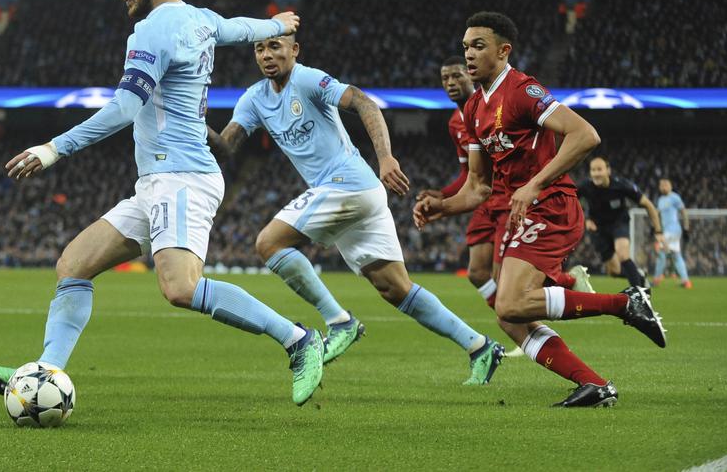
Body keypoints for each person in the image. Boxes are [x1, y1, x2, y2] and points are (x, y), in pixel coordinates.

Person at [0, 0, 326, 406]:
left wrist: (54, 148)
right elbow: (240, 28)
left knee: (180, 287)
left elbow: (124, 108)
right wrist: (277, 23)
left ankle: (299, 340)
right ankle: (42, 374)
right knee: (73, 266)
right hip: (160, 181)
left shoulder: (153, 31)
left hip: (182, 177)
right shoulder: (201, 19)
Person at [206, 36, 506, 385]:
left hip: (347, 184)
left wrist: (385, 157)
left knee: (268, 243)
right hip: (356, 195)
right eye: (260, 49)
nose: (267, 55)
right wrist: (194, 123)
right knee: (396, 289)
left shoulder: (308, 79)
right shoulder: (254, 98)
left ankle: (339, 322)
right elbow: (225, 147)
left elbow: (364, 102)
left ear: (294, 50)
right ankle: (480, 346)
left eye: (275, 46)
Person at [414, 11, 665, 407]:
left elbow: (585, 135)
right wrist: (441, 207)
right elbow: (479, 187)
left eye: (478, 46)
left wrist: (533, 184)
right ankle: (594, 385)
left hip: (552, 205)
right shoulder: (474, 109)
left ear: (503, 50)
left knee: (510, 303)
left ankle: (626, 303)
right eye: (465, 47)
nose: (469, 54)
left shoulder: (522, 90)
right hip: (525, 212)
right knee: (508, 317)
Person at [578, 157, 661, 289]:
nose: (596, 173)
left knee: (623, 254)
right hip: (598, 228)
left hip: (619, 223)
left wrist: (658, 231)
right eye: (593, 170)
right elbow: (570, 203)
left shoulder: (621, 185)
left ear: (608, 171)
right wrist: (585, 219)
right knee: (614, 271)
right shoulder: (585, 186)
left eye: (599, 169)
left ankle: (638, 294)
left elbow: (648, 204)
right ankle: (638, 276)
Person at [653, 178, 691, 288]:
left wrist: (686, 228)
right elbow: (657, 214)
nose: (663, 187)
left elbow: (683, 212)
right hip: (667, 231)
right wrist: (655, 228)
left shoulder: (675, 197)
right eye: (662, 185)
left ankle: (656, 279)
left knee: (661, 251)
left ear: (670, 186)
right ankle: (686, 281)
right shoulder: (660, 200)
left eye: (666, 185)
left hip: (673, 230)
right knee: (676, 255)